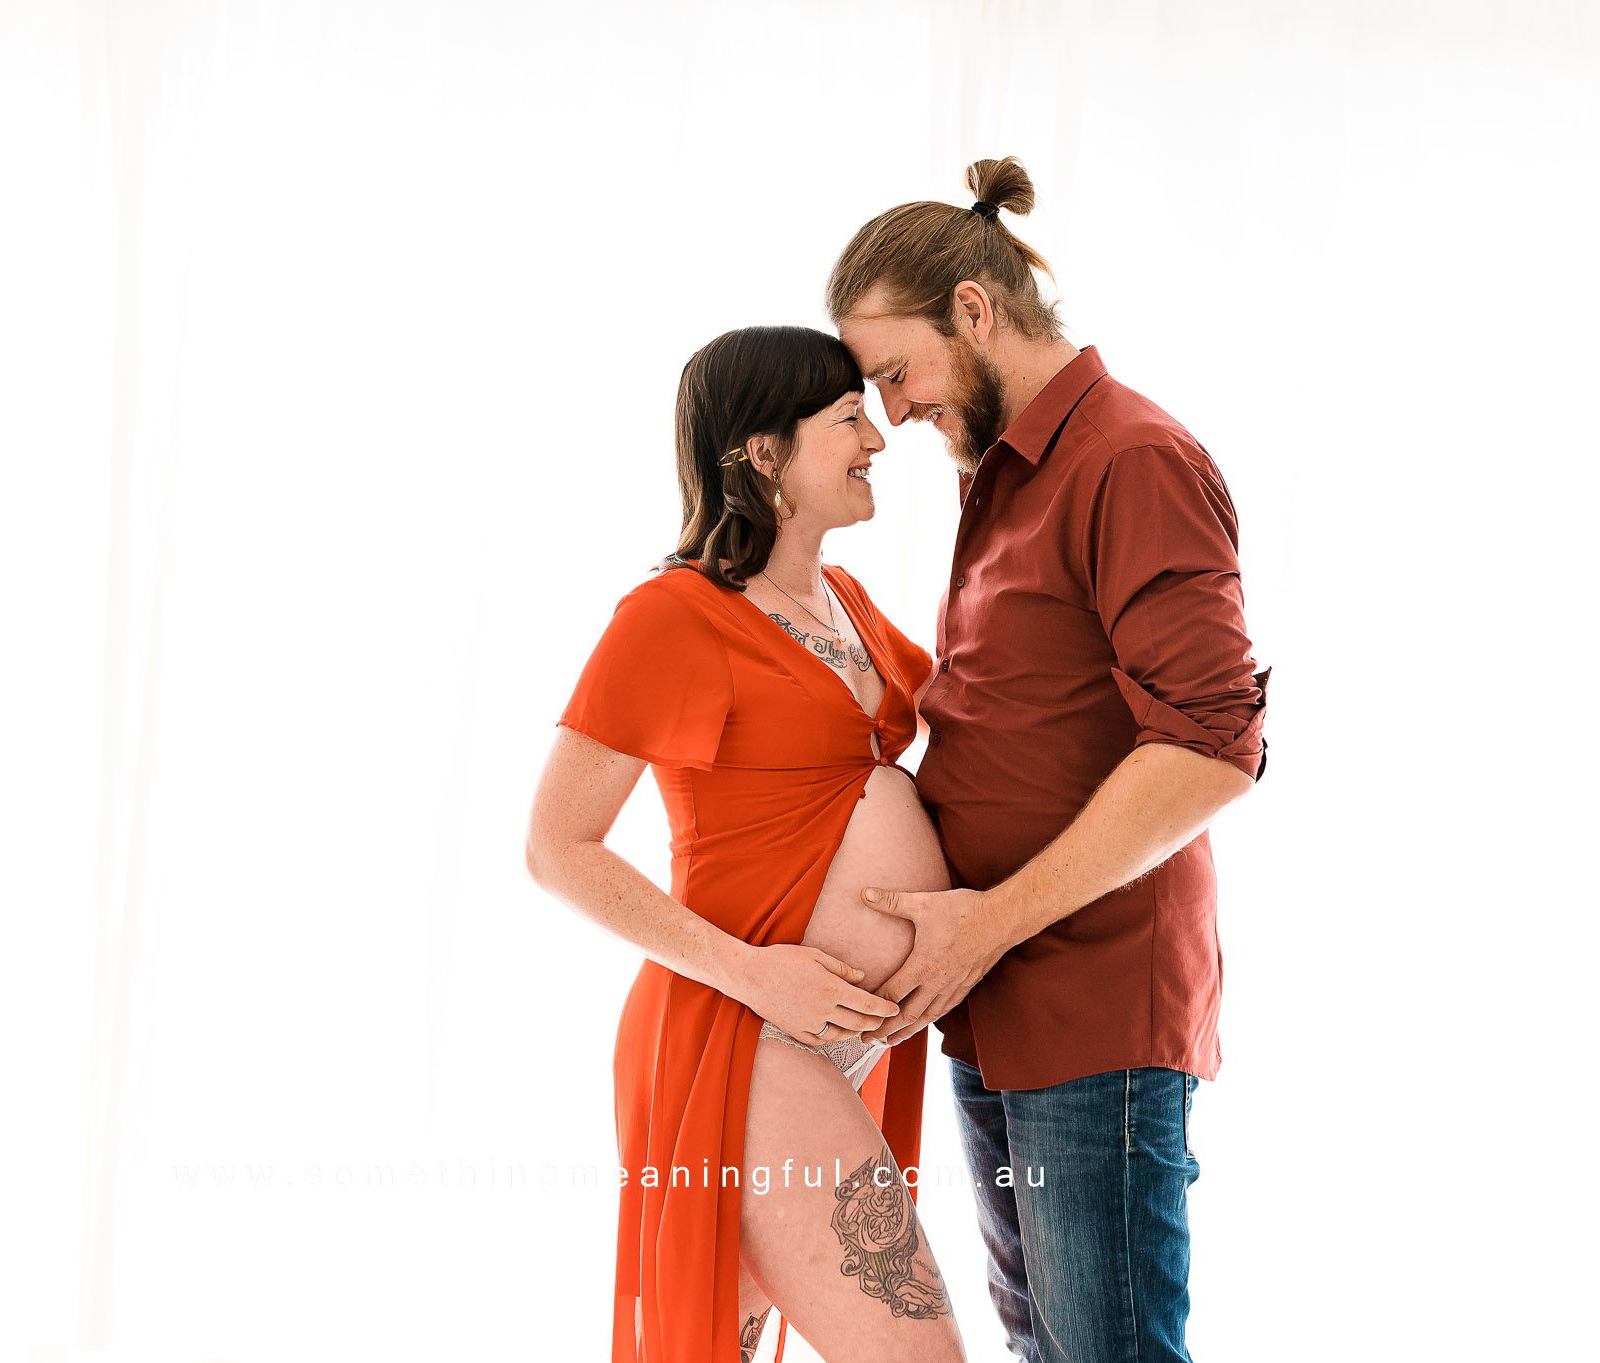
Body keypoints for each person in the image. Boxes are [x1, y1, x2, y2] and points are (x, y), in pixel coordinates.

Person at [824, 156, 1271, 1362]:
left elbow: (1213, 747)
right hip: (1000, 1005)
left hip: (1091, 1012)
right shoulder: (1003, 474)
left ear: (973, 309)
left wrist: (985, 920)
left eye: (895, 371)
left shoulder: (1128, 460)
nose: (894, 410)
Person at [524, 326, 969, 1363]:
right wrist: (753, 975)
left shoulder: (846, 602)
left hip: (830, 1045)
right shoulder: (673, 615)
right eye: (847, 419)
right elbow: (557, 846)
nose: (877, 438)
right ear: (764, 455)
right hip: (744, 1037)